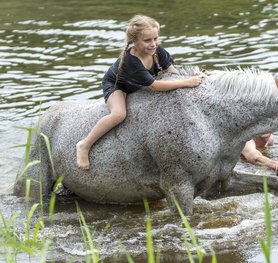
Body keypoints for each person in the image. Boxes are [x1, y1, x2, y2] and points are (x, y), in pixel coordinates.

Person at [76, 15, 203, 170]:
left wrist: (196, 77)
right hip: (119, 86)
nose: (153, 44)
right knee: (119, 114)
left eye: (155, 38)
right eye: (147, 40)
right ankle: (85, 145)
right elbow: (154, 86)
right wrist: (187, 82)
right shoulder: (131, 61)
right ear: (134, 41)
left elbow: (173, 74)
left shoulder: (158, 51)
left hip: (141, 84)